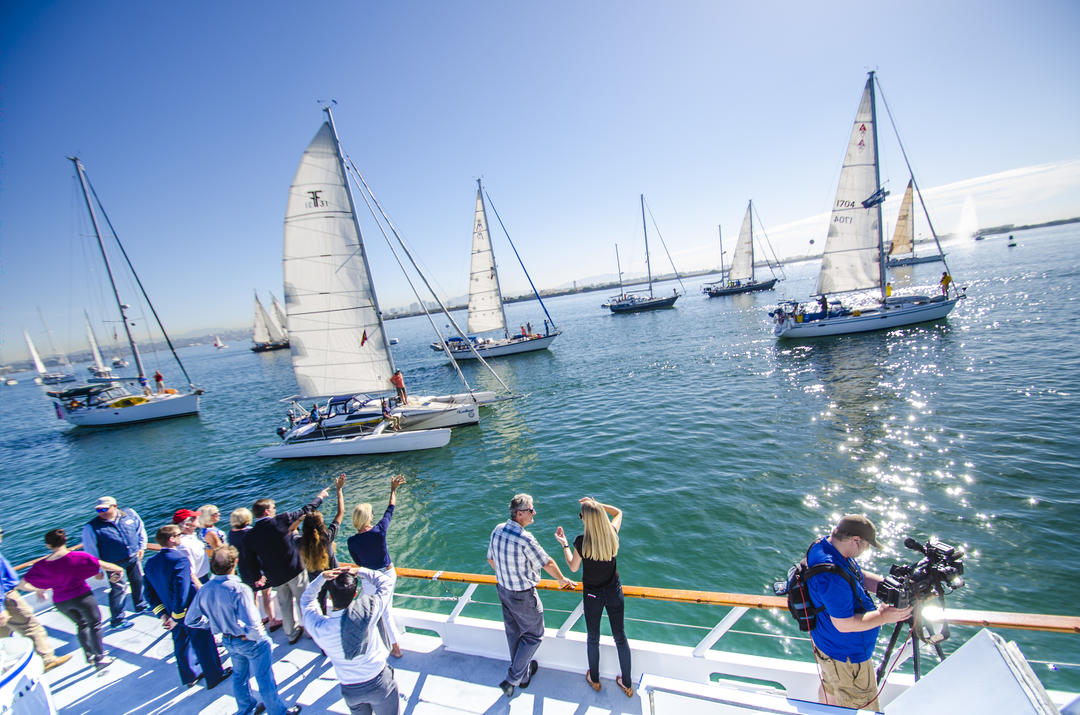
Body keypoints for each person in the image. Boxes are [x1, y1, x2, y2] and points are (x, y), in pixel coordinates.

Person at [805, 515, 912, 710]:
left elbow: (856, 576)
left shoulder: (825, 546)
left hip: (828, 645)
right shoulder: (831, 575)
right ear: (855, 540)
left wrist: (883, 586)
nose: (867, 549)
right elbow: (844, 624)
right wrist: (884, 616)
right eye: (866, 545)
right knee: (863, 706)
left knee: (831, 689)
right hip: (847, 657)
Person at [185, 547, 302, 715]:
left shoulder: (205, 589)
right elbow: (252, 622)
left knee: (240, 677)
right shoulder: (239, 589)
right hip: (250, 641)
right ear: (235, 563)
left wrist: (215, 625)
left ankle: (246, 709)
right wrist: (259, 638)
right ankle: (278, 712)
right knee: (265, 679)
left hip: (228, 639)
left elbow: (191, 620)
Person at [486, 493, 573, 698]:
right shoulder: (525, 538)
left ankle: (523, 676)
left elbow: (491, 559)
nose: (534, 513)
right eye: (530, 510)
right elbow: (547, 562)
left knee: (514, 633)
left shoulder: (498, 529)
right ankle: (512, 679)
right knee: (534, 636)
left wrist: (507, 575)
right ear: (519, 514)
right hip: (523, 596)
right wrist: (562, 579)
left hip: (503, 590)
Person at [554, 498, 633, 697]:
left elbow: (573, 567)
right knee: (620, 638)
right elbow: (619, 513)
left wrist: (564, 545)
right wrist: (598, 504)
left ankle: (595, 680)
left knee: (593, 638)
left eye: (582, 516)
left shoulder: (582, 542)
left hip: (592, 595)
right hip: (614, 592)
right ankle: (627, 683)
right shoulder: (612, 534)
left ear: (586, 519)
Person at [20, 527, 127, 669]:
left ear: (48, 545)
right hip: (82, 597)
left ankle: (90, 656)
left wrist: (39, 589)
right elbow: (105, 566)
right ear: (65, 540)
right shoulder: (79, 556)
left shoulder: (41, 565)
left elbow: (21, 584)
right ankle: (100, 658)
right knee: (94, 625)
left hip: (61, 602)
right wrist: (119, 570)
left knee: (81, 625)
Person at [302, 566, 399, 715]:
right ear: (355, 594)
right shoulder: (368, 613)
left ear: (329, 596)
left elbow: (306, 600)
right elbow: (386, 582)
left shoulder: (320, 629)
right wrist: (360, 571)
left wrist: (321, 578)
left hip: (350, 688)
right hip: (379, 682)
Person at [144, 525, 231, 689]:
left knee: (181, 643)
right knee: (204, 642)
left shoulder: (150, 563)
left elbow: (149, 593)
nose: (180, 537)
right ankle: (215, 675)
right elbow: (181, 589)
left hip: (171, 613)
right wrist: (177, 616)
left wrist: (164, 615)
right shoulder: (179, 559)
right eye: (178, 535)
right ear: (171, 539)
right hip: (188, 610)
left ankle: (190, 675)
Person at [243, 486, 329, 645]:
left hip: (274, 576)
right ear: (267, 512)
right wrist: (321, 496)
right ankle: (310, 631)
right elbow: (306, 509)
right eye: (273, 508)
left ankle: (291, 633)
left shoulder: (250, 536)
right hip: (294, 570)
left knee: (284, 604)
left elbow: (250, 559)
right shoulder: (281, 520)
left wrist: (257, 577)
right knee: (304, 601)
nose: (275, 510)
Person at [347, 475, 406, 658]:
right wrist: (393, 489)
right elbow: (391, 508)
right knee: (385, 612)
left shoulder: (352, 541)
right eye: (371, 512)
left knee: (369, 609)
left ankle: (368, 643)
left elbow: (358, 562)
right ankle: (395, 648)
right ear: (367, 517)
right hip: (386, 576)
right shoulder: (379, 531)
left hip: (368, 577)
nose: (373, 515)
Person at [0, 524, 72, 672]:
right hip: (6, 599)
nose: (1, 534)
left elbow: (10, 580)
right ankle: (47, 660)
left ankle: (5, 666)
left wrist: (34, 588)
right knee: (31, 627)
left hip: (6, 596)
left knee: (4, 635)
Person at [81, 495, 149, 628]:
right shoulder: (91, 527)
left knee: (138, 581)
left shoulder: (130, 514)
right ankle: (117, 619)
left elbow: (140, 530)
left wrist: (142, 547)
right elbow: (90, 550)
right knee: (118, 589)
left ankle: (141, 605)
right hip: (113, 565)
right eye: (99, 510)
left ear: (114, 507)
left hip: (133, 557)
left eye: (104, 509)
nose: (101, 512)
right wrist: (97, 569)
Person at [300, 474, 347, 612]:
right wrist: (339, 490)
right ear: (322, 525)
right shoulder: (327, 537)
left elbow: (290, 527)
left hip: (316, 581)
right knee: (338, 607)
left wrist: (302, 516)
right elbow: (341, 512)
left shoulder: (300, 542)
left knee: (320, 608)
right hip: (333, 578)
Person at [229, 507, 281, 631]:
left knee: (252, 596)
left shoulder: (231, 533)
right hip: (258, 568)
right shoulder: (251, 532)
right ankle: (272, 620)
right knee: (266, 595)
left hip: (243, 569)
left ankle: (258, 620)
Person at [174, 508, 210, 584]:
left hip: (205, 576)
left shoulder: (191, 537)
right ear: (187, 525)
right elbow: (190, 573)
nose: (197, 518)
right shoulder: (184, 545)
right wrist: (200, 588)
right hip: (199, 581)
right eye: (194, 518)